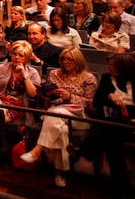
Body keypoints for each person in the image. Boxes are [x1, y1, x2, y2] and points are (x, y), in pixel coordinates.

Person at [18, 47, 97, 188]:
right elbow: (47, 98)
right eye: (63, 59)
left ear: (78, 61)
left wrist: (70, 97)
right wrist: (48, 95)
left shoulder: (88, 78)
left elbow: (91, 105)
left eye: (69, 59)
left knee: (56, 114)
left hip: (79, 116)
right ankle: (61, 172)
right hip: (56, 113)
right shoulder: (54, 74)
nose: (65, 62)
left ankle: (38, 149)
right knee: (61, 130)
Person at [70, 53, 135, 197]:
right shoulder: (107, 78)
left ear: (122, 67)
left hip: (131, 125)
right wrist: (109, 96)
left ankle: (83, 150)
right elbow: (97, 103)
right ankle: (123, 189)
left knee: (108, 128)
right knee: (112, 144)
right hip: (112, 123)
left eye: (112, 65)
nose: (108, 67)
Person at [0, 41, 41, 167]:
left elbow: (33, 94)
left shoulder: (33, 72)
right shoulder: (2, 67)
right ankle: (2, 148)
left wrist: (24, 75)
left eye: (21, 55)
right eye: (14, 54)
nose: (16, 57)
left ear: (27, 58)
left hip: (18, 105)